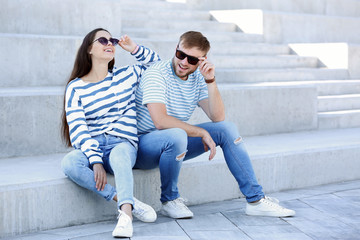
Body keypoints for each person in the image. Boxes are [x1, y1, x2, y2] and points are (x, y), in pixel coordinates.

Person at [134, 31, 296, 219]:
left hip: (173, 143)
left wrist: (210, 80)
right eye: (181, 55)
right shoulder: (157, 73)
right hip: (142, 147)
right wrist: (200, 131)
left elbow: (218, 117)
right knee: (177, 134)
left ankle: (255, 200)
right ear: (176, 49)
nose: (184, 62)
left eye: (192, 60)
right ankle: (170, 200)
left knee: (226, 129)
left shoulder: (197, 78)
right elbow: (160, 121)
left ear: (202, 60)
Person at [61, 28, 161, 238]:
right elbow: (78, 129)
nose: (110, 44)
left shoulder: (126, 75)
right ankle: (123, 198)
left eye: (112, 41)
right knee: (69, 163)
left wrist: (134, 49)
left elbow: (158, 67)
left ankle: (126, 216)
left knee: (119, 154)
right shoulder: (76, 87)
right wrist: (95, 160)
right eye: (103, 40)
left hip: (122, 143)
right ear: (89, 48)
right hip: (93, 144)